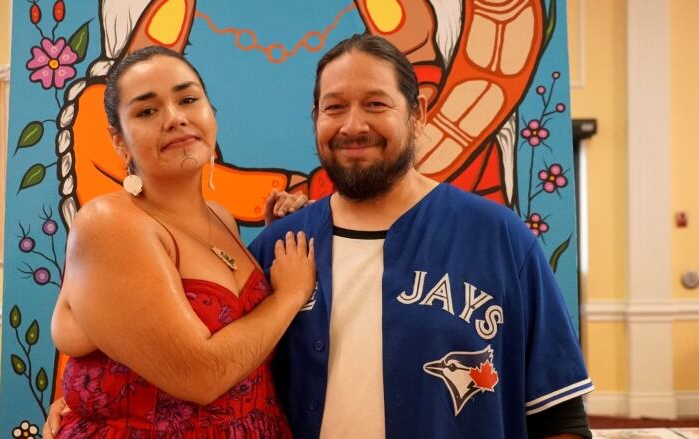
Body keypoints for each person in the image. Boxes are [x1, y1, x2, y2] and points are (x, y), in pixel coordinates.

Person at [247, 34, 594, 438]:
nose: (353, 125)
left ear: (418, 113)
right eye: (334, 107)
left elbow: (559, 417)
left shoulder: (500, 239)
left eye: (376, 104)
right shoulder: (281, 247)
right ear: (316, 118)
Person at [47, 45, 315, 437]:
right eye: (147, 111)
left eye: (188, 99)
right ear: (119, 140)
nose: (174, 118)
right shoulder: (109, 223)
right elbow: (201, 377)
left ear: (212, 115)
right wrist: (288, 295)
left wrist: (276, 234)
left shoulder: (221, 217)